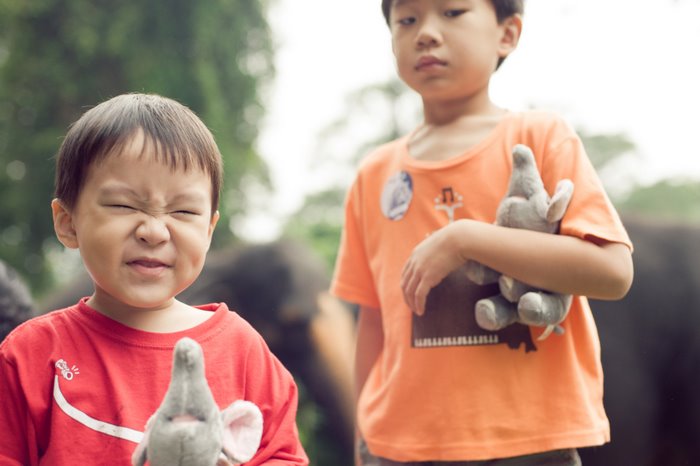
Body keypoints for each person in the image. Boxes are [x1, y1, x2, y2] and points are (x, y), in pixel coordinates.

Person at [330, 1, 634, 465]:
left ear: (507, 33)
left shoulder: (540, 137)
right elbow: (373, 319)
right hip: (398, 446)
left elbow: (612, 272)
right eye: (407, 20)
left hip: (530, 442)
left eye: (452, 12)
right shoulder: (374, 174)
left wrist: (465, 239)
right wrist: (361, 441)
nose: (426, 33)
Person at [0, 93, 309, 465]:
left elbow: (282, 455)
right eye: (123, 205)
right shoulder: (30, 353)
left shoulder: (243, 351)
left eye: (182, 210)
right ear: (68, 223)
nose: (154, 231)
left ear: (209, 230)